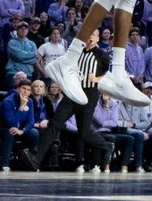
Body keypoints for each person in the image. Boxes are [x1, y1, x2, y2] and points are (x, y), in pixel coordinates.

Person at [22, 30, 114, 173]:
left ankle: (106, 146)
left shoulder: (101, 54)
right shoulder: (77, 51)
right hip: (72, 91)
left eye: (94, 35)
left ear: (98, 38)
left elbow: (109, 74)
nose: (90, 37)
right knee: (54, 123)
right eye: (89, 34)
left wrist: (96, 79)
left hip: (89, 95)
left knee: (84, 132)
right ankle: (36, 158)